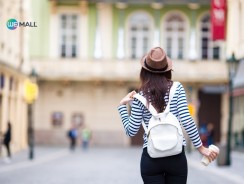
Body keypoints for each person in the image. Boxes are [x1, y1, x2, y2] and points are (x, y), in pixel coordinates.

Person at [117, 47, 219, 184]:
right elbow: (187, 120)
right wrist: (201, 147)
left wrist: (122, 107)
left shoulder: (139, 96)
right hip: (176, 156)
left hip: (151, 157)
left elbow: (131, 131)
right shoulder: (177, 88)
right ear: (167, 70)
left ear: (144, 71)